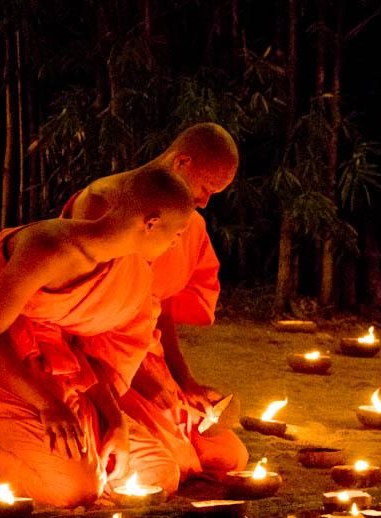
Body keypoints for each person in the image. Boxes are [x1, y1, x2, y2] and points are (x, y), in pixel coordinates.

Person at [0, 168, 195, 507]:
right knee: (74, 491)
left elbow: (82, 351)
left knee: (158, 474)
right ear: (151, 223)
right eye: (178, 233)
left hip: (65, 375)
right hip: (10, 376)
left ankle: (74, 462)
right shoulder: (50, 248)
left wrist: (115, 421)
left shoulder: (120, 265)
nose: (176, 243)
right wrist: (48, 404)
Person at [62, 123, 247, 477]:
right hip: (99, 368)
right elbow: (77, 326)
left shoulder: (187, 225)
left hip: (146, 360)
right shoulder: (102, 204)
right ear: (182, 163)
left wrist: (183, 380)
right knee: (172, 467)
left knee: (228, 456)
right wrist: (136, 379)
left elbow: (159, 310)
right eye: (206, 189)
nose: (205, 203)